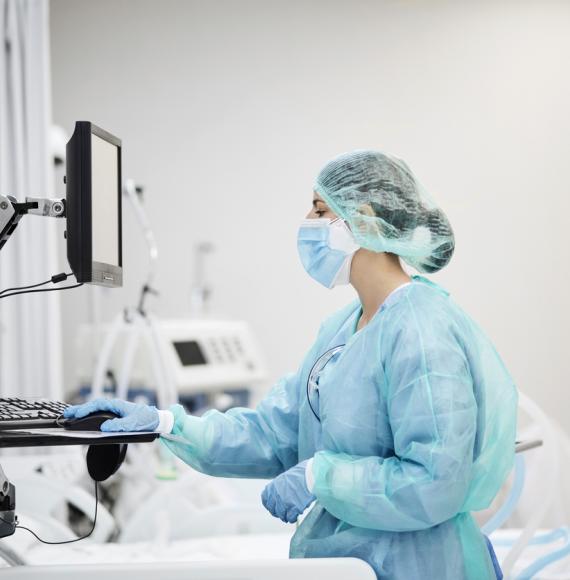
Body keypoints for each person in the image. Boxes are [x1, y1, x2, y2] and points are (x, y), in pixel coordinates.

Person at [65, 150, 517, 580]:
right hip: (354, 564)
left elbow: (436, 482)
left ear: (364, 220)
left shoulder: (421, 330)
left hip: (416, 566)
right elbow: (274, 433)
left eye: (320, 211)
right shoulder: (345, 329)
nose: (308, 224)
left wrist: (322, 476)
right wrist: (165, 424)